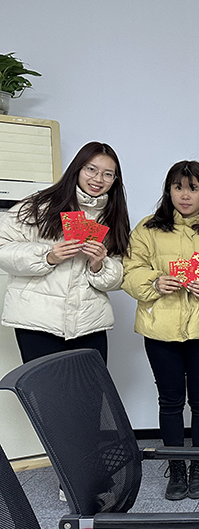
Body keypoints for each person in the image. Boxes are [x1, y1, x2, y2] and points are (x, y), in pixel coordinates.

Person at [123, 161, 199, 501]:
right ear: (168, 191)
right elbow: (130, 270)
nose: (185, 195)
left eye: (193, 188)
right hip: (161, 328)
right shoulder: (148, 229)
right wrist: (155, 281)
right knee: (170, 402)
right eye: (178, 187)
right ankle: (176, 468)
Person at [0, 141, 130, 363]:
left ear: (115, 180)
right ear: (77, 168)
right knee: (44, 386)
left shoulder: (113, 216)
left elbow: (121, 276)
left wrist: (99, 265)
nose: (98, 179)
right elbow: (3, 247)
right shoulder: (39, 205)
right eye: (91, 169)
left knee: (91, 385)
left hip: (89, 323)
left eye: (108, 174)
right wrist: (48, 256)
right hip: (37, 322)